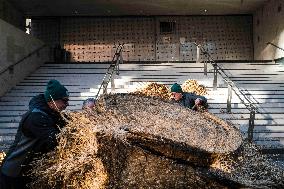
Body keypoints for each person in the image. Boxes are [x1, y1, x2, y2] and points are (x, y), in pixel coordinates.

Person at [0, 80, 69, 189]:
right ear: (52, 101)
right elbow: (55, 140)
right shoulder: (36, 117)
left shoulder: (50, 113)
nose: (67, 105)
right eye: (64, 101)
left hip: (27, 172)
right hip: (14, 173)